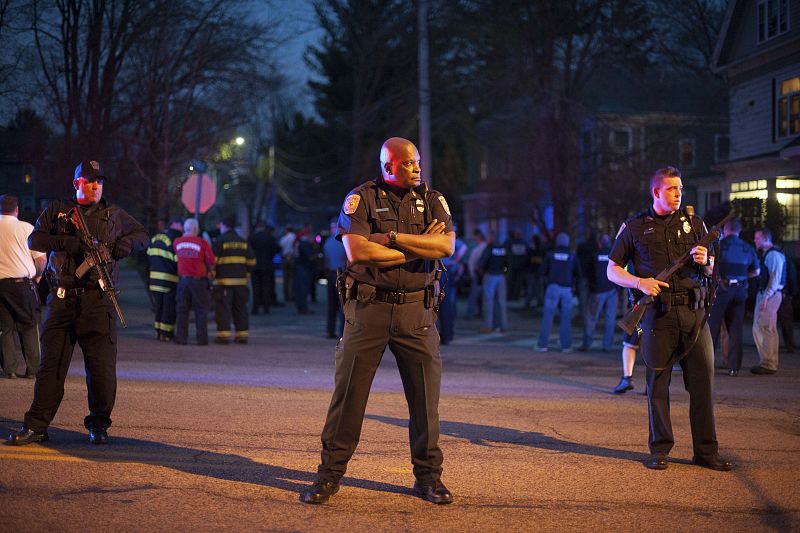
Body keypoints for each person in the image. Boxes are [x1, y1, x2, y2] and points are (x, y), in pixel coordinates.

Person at [300, 137, 454, 505]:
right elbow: (355, 251)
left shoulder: (433, 200)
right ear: (389, 167)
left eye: (418, 162)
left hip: (418, 311)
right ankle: (329, 476)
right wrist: (417, 244)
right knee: (349, 398)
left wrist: (391, 239)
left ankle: (428, 479)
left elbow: (446, 247)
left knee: (425, 403)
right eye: (409, 164)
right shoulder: (362, 198)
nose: (418, 168)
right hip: (368, 310)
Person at [7, 159, 148, 446]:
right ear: (77, 183)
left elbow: (142, 235)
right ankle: (36, 426)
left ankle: (99, 425)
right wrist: (65, 243)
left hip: (97, 301)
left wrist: (126, 245)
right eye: (89, 180)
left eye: (100, 181)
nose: (96, 186)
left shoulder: (112, 214)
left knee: (101, 369)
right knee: (50, 368)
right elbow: (36, 239)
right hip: (61, 300)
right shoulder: (58, 211)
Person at [607, 165, 731, 472]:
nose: (678, 194)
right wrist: (640, 282)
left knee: (702, 387)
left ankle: (706, 452)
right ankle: (660, 450)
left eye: (680, 188)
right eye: (672, 189)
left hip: (694, 315)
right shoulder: (634, 226)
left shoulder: (694, 222)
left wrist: (707, 261)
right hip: (657, 317)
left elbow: (713, 271)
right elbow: (612, 269)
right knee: (657, 387)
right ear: (656, 192)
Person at [0, 195, 47, 379]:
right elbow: (41, 259)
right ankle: (33, 369)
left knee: (4, 328)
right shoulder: (26, 228)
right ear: (17, 209)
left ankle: (9, 369)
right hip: (22, 285)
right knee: (29, 325)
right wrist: (38, 275)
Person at [707, 218, 759, 376]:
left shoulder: (720, 245)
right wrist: (743, 277)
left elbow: (710, 267)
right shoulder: (748, 247)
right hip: (740, 291)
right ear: (739, 230)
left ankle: (708, 365)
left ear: (726, 230)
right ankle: (734, 368)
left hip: (722, 290)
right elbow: (756, 271)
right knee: (735, 329)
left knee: (712, 328)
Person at [212, 216, 255, 344]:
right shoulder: (243, 242)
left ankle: (223, 335)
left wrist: (213, 275)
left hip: (223, 283)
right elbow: (252, 261)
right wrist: (246, 273)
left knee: (223, 308)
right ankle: (242, 335)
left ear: (224, 226)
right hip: (241, 282)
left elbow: (212, 262)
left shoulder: (220, 241)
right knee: (240, 308)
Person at [173, 218, 215, 346]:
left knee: (182, 310)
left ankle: (181, 338)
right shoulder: (202, 243)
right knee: (201, 310)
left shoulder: (176, 242)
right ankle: (202, 340)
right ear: (195, 229)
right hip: (198, 281)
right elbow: (211, 260)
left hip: (183, 281)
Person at [537, 232, 580, 352]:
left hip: (552, 287)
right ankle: (566, 345)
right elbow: (578, 273)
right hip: (567, 289)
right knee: (566, 317)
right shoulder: (572, 256)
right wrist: (573, 285)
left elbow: (541, 272)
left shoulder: (550, 255)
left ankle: (542, 344)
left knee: (548, 316)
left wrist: (548, 281)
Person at [751, 228, 786, 375]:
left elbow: (774, 278)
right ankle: (768, 362)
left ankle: (768, 364)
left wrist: (766, 297)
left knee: (765, 328)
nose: (755, 241)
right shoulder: (772, 254)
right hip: (770, 294)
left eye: (757, 238)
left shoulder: (773, 255)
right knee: (765, 328)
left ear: (765, 239)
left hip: (770, 295)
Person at [146, 216, 183, 342]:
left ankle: (158, 332)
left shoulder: (156, 237)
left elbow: (148, 255)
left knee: (159, 307)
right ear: (176, 224)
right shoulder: (175, 238)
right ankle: (166, 334)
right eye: (181, 225)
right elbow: (178, 259)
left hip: (154, 279)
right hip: (169, 279)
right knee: (169, 308)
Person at [581, 234, 618, 352]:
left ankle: (587, 343)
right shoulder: (615, 256)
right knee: (610, 318)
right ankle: (607, 346)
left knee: (591, 318)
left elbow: (587, 273)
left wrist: (592, 287)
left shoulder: (594, 256)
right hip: (612, 290)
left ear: (599, 244)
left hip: (597, 291)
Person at [438, 225, 467, 344]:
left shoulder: (445, 240)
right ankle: (448, 334)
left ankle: (446, 334)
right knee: (448, 302)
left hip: (443, 271)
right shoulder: (452, 240)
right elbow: (464, 248)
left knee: (444, 303)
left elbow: (464, 247)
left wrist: (453, 261)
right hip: (448, 272)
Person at [478, 232, 508, 333]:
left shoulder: (489, 247)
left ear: (491, 238)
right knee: (501, 301)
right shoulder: (503, 248)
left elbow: (482, 261)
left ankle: (488, 326)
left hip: (490, 275)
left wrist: (481, 270)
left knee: (488, 301)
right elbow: (508, 262)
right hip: (501, 276)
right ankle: (502, 325)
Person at [323, 218, 347, 338]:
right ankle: (342, 331)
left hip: (331, 274)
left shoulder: (327, 242)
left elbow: (326, 261)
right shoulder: (344, 241)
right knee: (342, 305)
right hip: (342, 274)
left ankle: (329, 330)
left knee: (331, 304)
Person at [249, 223, 278, 315]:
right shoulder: (270, 237)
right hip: (267, 265)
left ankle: (255, 307)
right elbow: (274, 250)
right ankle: (266, 307)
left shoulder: (252, 237)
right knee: (266, 287)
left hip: (255, 266)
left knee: (256, 288)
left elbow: (249, 251)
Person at [293, 228, 315, 314]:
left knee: (299, 289)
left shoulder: (297, 243)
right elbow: (310, 257)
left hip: (298, 268)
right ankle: (304, 308)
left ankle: (301, 307)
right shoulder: (305, 244)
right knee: (304, 289)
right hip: (304, 269)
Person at [465, 229, 487, 319]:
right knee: (483, 296)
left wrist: (472, 274)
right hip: (486, 275)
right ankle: (481, 313)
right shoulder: (486, 247)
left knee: (474, 296)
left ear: (478, 238)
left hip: (477, 275)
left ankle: (470, 314)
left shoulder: (477, 249)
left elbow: (471, 263)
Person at [505, 229, 528, 301]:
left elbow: (506, 251)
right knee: (518, 283)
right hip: (521, 267)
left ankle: (509, 296)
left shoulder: (510, 242)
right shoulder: (524, 243)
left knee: (511, 282)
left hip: (512, 266)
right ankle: (516, 297)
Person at [279, 225, 296, 303]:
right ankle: (292, 295)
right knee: (292, 278)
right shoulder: (294, 237)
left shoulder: (283, 239)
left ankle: (286, 295)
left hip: (285, 258)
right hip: (292, 258)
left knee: (285, 279)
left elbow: (281, 247)